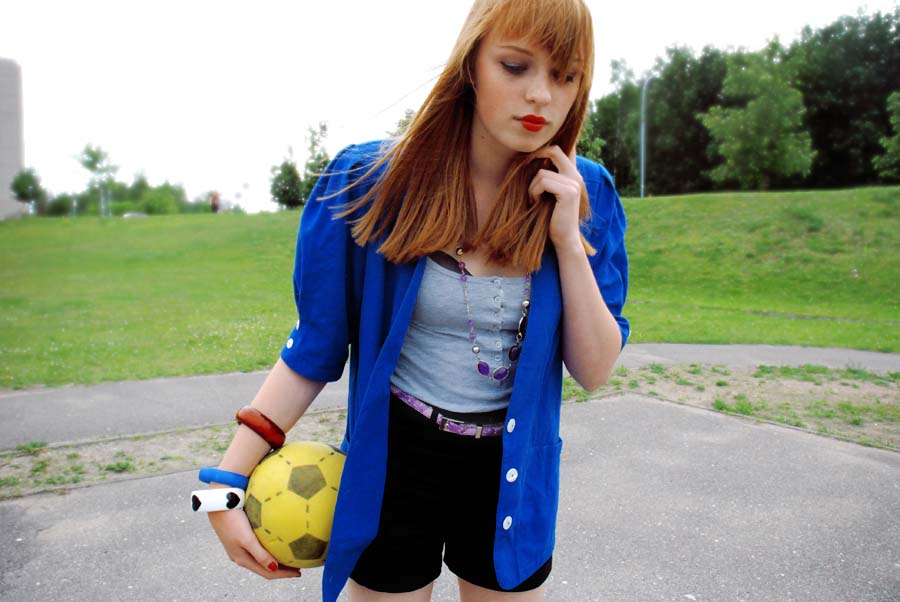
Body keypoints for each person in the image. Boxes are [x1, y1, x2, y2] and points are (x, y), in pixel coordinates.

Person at [203, 0, 629, 600]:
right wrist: (224, 479)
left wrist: (565, 238)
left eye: (566, 75)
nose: (542, 95)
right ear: (471, 64)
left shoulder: (588, 194)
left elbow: (596, 368)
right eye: (515, 66)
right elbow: (315, 347)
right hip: (394, 462)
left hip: (513, 472)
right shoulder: (370, 181)